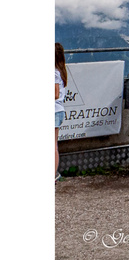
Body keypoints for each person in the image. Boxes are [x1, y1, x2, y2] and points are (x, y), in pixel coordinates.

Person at [55, 43, 68, 181]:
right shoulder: (61, 71)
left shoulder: (53, 72)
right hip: (58, 111)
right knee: (54, 145)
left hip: (53, 110)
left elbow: (55, 94)